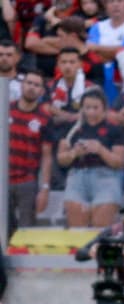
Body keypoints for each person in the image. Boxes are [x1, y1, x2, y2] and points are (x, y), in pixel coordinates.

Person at [57, 88, 124, 228]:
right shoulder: (72, 129)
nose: (91, 112)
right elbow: (61, 158)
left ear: (104, 108)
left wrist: (100, 149)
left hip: (106, 177)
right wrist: (74, 153)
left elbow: (119, 162)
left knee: (100, 227)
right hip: (77, 177)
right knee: (77, 229)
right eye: (87, 107)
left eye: (95, 108)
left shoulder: (114, 129)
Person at [8, 70, 53, 238]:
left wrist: (45, 188)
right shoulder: (5, 109)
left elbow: (47, 156)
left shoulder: (45, 118)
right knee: (3, 230)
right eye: (29, 83)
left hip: (27, 181)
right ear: (21, 85)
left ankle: (21, 265)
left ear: (42, 91)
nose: (31, 88)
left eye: (36, 85)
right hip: (3, 180)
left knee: (26, 233)